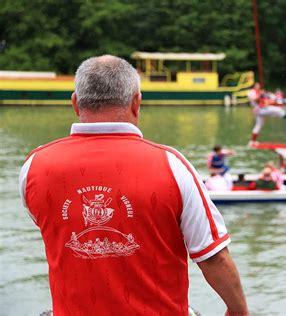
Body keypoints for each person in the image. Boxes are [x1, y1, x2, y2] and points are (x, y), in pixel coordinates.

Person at [19, 55, 249, 316]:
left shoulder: (34, 166)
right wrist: (238, 310)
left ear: (75, 103)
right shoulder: (172, 166)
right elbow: (213, 257)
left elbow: (51, 224)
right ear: (137, 102)